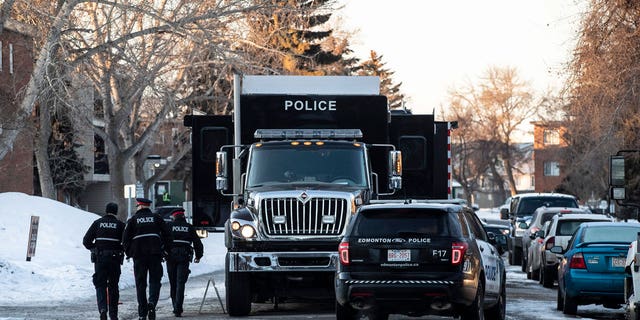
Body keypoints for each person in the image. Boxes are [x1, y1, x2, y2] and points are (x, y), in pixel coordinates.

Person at [122, 198, 172, 320]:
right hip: (155, 255)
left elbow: (125, 239)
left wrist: (129, 253)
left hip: (139, 256)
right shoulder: (157, 218)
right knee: (155, 281)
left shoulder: (133, 220)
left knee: (141, 284)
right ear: (148, 206)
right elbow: (168, 235)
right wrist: (166, 250)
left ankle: (142, 313)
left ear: (139, 206)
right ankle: (152, 303)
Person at [83, 202, 126, 320]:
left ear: (106, 211)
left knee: (100, 285)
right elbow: (126, 242)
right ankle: (113, 314)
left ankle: (102, 309)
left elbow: (86, 241)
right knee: (113, 286)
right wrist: (121, 249)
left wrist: (94, 249)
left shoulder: (97, 223)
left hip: (100, 259)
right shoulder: (120, 225)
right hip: (114, 260)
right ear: (116, 212)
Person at [165, 208, 204, 317]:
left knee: (173, 282)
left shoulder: (169, 226)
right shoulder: (189, 227)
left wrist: (163, 254)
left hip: (171, 257)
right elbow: (197, 242)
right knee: (180, 282)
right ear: (183, 216)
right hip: (184, 256)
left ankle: (175, 306)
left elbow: (162, 240)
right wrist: (198, 255)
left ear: (174, 217)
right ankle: (178, 308)